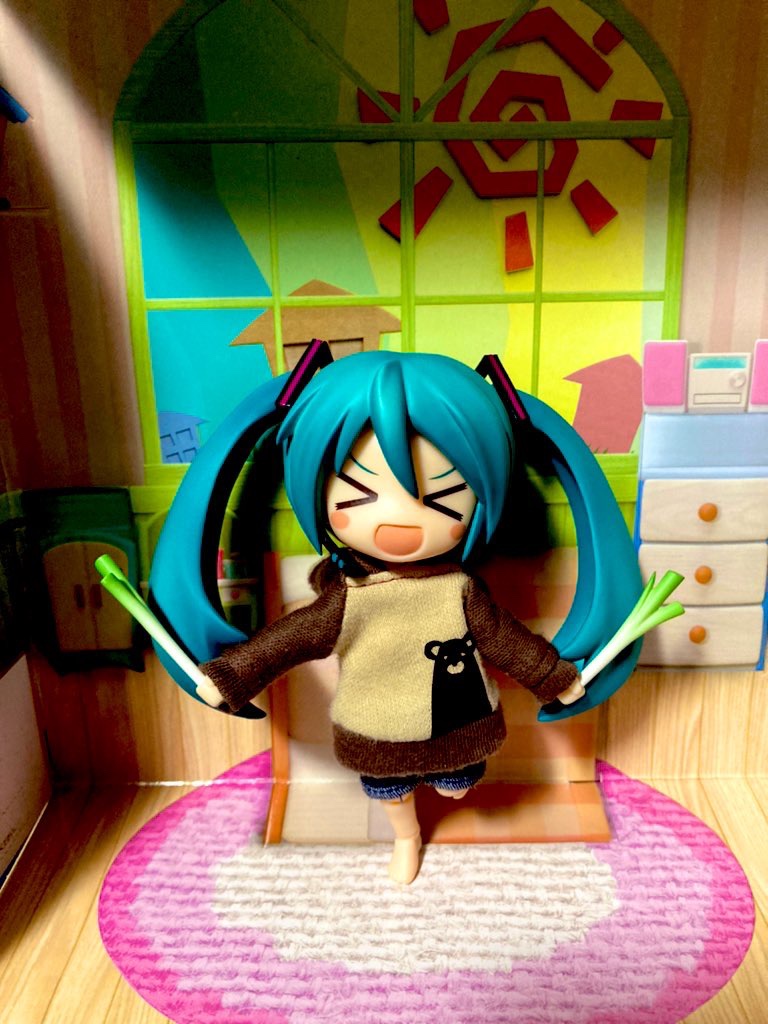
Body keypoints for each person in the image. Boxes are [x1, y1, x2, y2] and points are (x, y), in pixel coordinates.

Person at [193, 351, 584, 884]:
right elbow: (288, 639)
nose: (398, 520)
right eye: (359, 494)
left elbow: (505, 640)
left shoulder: (460, 589)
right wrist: (232, 676)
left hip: (458, 726)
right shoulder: (349, 597)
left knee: (457, 778)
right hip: (376, 726)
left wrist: (553, 677)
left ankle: (445, 791)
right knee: (391, 791)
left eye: (442, 498)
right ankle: (407, 837)